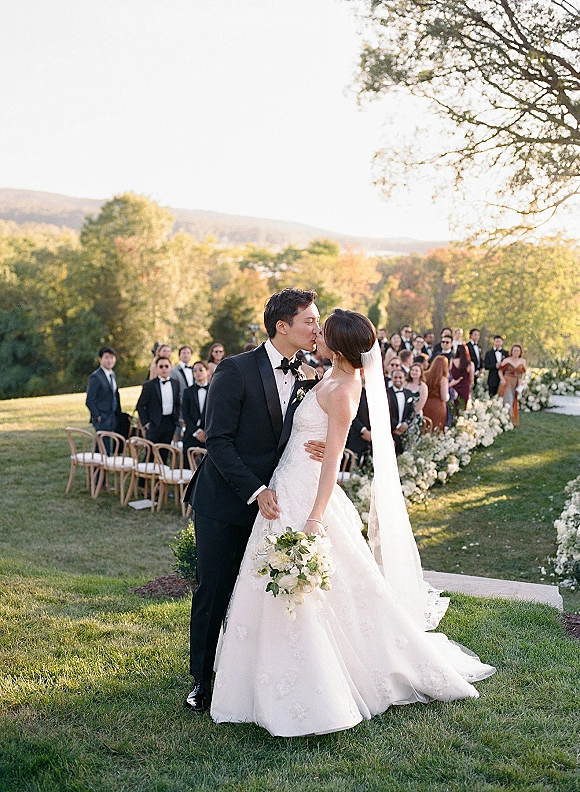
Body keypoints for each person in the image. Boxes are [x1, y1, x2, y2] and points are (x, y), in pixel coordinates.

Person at [210, 309, 494, 736]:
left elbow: (331, 468)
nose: (315, 336)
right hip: (286, 482)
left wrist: (314, 517)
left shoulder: (345, 387)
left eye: (321, 332)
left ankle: (319, 681)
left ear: (338, 346)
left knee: (314, 586)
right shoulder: (326, 374)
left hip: (307, 497)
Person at [184, 289, 322, 714]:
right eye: (309, 321)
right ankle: (202, 682)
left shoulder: (309, 373)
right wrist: (255, 490)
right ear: (282, 326)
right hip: (225, 501)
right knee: (215, 589)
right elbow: (219, 441)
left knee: (256, 594)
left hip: (278, 505)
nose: (317, 327)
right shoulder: (235, 370)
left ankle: (244, 675)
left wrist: (314, 445)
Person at [136, 356, 181, 458]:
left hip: (169, 422)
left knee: (164, 454)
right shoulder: (150, 385)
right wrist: (146, 422)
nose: (164, 369)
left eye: (166, 366)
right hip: (154, 424)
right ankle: (145, 474)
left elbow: (178, 403)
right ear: (156, 368)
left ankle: (161, 474)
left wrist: (176, 417)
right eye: (161, 366)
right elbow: (140, 405)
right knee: (150, 455)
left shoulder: (175, 383)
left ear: (171, 367)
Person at [85, 346, 122, 453]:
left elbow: (114, 395)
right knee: (105, 448)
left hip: (112, 416)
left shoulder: (112, 374)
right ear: (100, 359)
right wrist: (98, 416)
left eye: (112, 357)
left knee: (101, 447)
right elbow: (89, 400)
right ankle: (103, 469)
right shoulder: (95, 377)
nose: (109, 360)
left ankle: (96, 469)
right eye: (106, 358)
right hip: (102, 418)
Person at [182, 361, 210, 463]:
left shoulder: (214, 390)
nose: (198, 372)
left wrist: (205, 432)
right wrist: (197, 432)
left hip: (208, 434)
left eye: (201, 369)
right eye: (195, 371)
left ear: (207, 371)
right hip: (192, 432)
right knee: (187, 460)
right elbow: (185, 414)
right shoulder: (188, 392)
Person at [387, 368, 415, 455]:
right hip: (391, 430)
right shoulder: (386, 393)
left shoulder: (409, 394)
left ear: (405, 378)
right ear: (391, 378)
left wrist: (405, 424)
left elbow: (412, 411)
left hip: (405, 432)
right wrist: (397, 426)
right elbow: (386, 414)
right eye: (395, 377)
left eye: (400, 377)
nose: (398, 380)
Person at [499, 344, 527, 426]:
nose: (516, 352)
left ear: (520, 352)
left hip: (517, 382)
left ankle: (512, 419)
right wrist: (502, 379)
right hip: (507, 381)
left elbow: (523, 373)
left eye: (517, 351)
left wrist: (521, 382)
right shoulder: (507, 360)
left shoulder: (522, 361)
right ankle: (508, 419)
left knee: (514, 400)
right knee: (508, 400)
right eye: (514, 350)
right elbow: (500, 371)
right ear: (511, 351)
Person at [423, 355, 450, 431]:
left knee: (426, 427)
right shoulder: (443, 379)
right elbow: (444, 397)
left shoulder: (425, 374)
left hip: (426, 403)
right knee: (436, 428)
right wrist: (449, 396)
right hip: (437, 405)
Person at [450, 343, 475, 414]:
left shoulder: (452, 361)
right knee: (463, 410)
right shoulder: (470, 364)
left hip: (454, 387)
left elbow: (449, 375)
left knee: (453, 409)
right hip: (465, 388)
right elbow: (471, 379)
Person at [170, 345, 194, 410]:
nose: (186, 355)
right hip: (181, 404)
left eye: (188, 353)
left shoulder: (195, 369)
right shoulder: (173, 371)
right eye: (183, 353)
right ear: (179, 356)